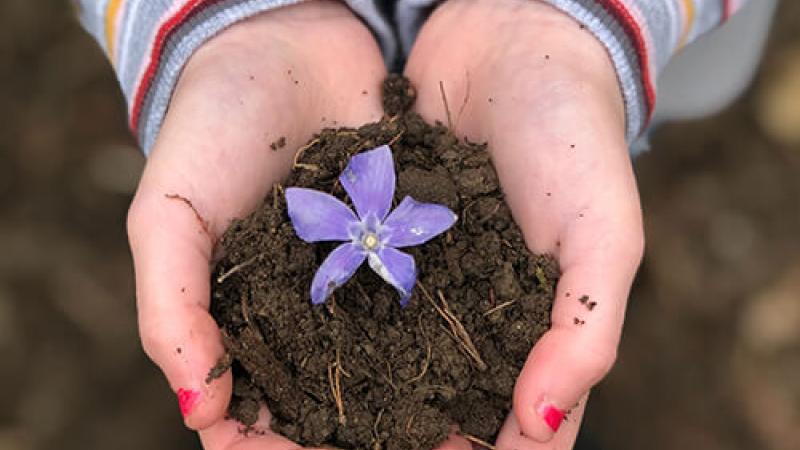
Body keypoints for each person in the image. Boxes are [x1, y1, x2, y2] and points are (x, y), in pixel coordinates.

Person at [77, 1, 776, 449]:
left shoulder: (409, 231)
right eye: (369, 239)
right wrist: (215, 23)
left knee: (598, 176)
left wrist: (582, 22)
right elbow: (331, 277)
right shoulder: (341, 233)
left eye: (375, 239)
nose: (373, 241)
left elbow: (414, 244)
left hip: (641, 27)